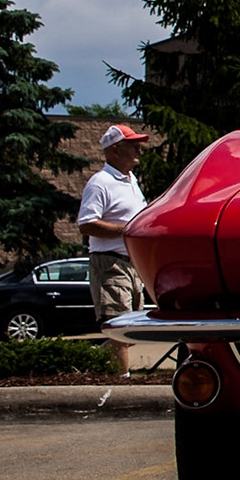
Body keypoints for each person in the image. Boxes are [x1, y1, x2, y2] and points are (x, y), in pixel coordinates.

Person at [80, 124, 150, 366]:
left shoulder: (131, 180)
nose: (138, 150)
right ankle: (120, 381)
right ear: (116, 150)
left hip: (130, 264)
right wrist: (127, 230)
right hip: (109, 263)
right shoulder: (100, 182)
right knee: (119, 327)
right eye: (133, 145)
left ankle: (90, 362)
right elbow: (87, 224)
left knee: (130, 330)